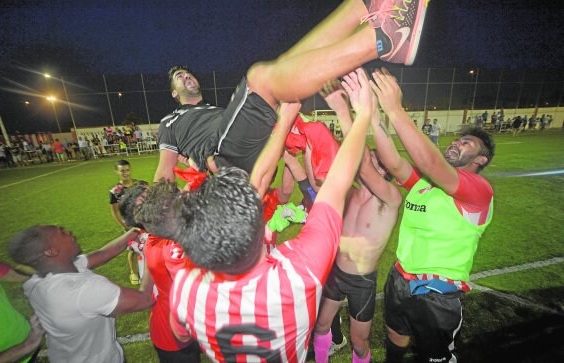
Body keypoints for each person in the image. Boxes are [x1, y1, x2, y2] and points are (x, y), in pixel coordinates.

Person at [142, 69, 375, 362]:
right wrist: (359, 114)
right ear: (260, 232)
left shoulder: (188, 291)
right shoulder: (299, 272)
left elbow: (179, 332)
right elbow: (338, 183)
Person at [154, 0, 430, 181]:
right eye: (179, 77)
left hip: (241, 147)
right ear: (174, 95)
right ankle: (382, 42)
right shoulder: (170, 122)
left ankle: (366, 9)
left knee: (285, 67)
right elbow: (164, 172)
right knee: (259, 78)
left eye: (187, 73)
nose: (186, 76)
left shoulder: (215, 111)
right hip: (222, 157)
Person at [369, 68, 495, 363]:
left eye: (467, 144)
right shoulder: (426, 185)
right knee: (394, 338)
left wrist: (395, 109)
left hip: (438, 293)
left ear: (480, 160)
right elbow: (393, 161)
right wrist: (372, 118)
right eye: (458, 139)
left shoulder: (479, 191)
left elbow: (430, 161)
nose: (456, 143)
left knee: (434, 356)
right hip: (400, 278)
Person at [312, 79, 402, 363]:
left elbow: (360, 162)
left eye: (377, 159)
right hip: (336, 272)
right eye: (372, 154)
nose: (372, 158)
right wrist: (305, 147)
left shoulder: (389, 198)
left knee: (359, 342)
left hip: (361, 281)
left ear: (385, 170)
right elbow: (317, 180)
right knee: (321, 326)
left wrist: (342, 109)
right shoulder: (350, 193)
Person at [8, 226, 154, 363]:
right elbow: (145, 299)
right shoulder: (82, 290)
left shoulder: (41, 278)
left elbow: (102, 254)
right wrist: (151, 255)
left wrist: (134, 232)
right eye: (62, 233)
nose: (69, 232)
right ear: (51, 251)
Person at [119, 185, 202, 363]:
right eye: (148, 201)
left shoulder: (157, 238)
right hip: (173, 335)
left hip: (177, 325)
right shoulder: (166, 246)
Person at [0, 257, 44, 363]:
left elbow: (10, 274)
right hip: (18, 354)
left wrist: (43, 276)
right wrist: (27, 346)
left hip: (26, 339)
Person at [109, 159, 147, 285]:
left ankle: (148, 270)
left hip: (144, 221)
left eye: (127, 170)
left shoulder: (140, 184)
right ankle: (133, 272)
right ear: (117, 172)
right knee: (132, 249)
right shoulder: (115, 191)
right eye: (122, 171)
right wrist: (123, 225)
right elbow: (115, 211)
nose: (125, 173)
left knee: (148, 246)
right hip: (130, 224)